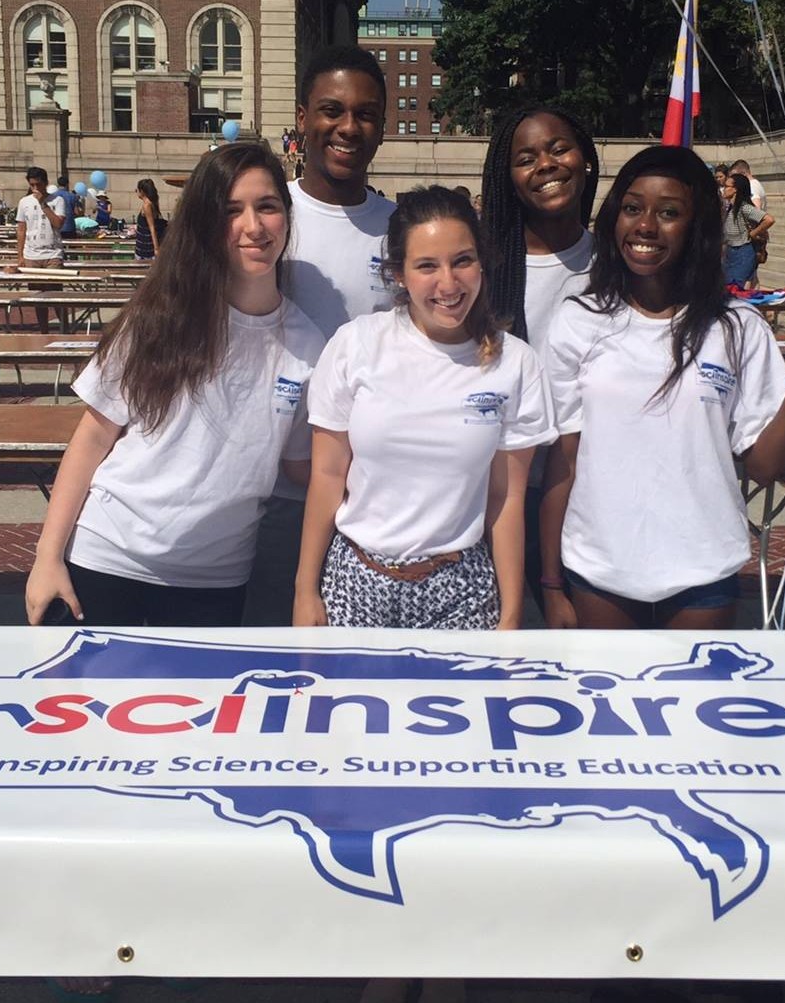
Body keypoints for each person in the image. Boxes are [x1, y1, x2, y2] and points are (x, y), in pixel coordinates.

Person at [540, 145, 785, 631]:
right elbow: (564, 460)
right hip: (600, 565)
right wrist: (552, 584)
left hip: (703, 567)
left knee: (692, 702)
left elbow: (764, 466)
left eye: (669, 212)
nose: (646, 225)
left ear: (698, 228)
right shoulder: (578, 320)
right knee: (606, 705)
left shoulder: (738, 328)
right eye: (632, 208)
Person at [25, 143, 325, 632]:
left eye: (267, 206)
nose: (253, 226)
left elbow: (300, 466)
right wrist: (47, 557)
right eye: (232, 211)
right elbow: (92, 439)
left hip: (215, 582)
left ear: (286, 217)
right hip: (107, 559)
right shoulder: (159, 316)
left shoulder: (309, 344)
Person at [293, 185, 554, 636]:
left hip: (461, 589)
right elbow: (328, 477)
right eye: (427, 266)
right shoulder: (357, 345)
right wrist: (305, 589)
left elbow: (505, 498)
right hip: (355, 582)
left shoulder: (516, 364)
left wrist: (511, 614)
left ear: (483, 261)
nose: (448, 284)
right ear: (399, 273)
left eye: (463, 260)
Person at [245, 44, 397, 626]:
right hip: (268, 495)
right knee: (266, 669)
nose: (348, 127)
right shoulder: (267, 219)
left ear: (382, 126)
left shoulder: (400, 231)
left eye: (366, 114)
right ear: (303, 118)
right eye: (332, 110)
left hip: (368, 498)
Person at [479, 105, 598, 613]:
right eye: (526, 158)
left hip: (594, 491)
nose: (545, 165)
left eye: (558, 148)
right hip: (502, 494)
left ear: (586, 159)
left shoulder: (621, 262)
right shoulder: (484, 269)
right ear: (508, 179)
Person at [15, 165, 67, 333]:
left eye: (38, 184)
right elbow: (21, 229)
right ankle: (44, 331)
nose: (35, 188)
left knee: (56, 295)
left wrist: (43, 204)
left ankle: (64, 330)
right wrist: (20, 256)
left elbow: (58, 223)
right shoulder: (24, 202)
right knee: (38, 296)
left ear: (45, 183)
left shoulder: (57, 200)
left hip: (53, 254)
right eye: (32, 185)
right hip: (32, 254)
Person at [721, 173, 774, 288]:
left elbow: (769, 220)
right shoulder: (729, 208)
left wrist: (754, 233)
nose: (723, 189)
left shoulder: (744, 208)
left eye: (726, 186)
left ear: (735, 189)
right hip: (731, 251)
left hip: (743, 251)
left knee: (736, 288)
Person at [133, 178, 166, 260]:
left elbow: (152, 227)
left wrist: (156, 249)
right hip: (145, 247)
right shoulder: (152, 202)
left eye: (137, 189)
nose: (135, 191)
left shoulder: (147, 205)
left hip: (145, 249)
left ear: (142, 191)